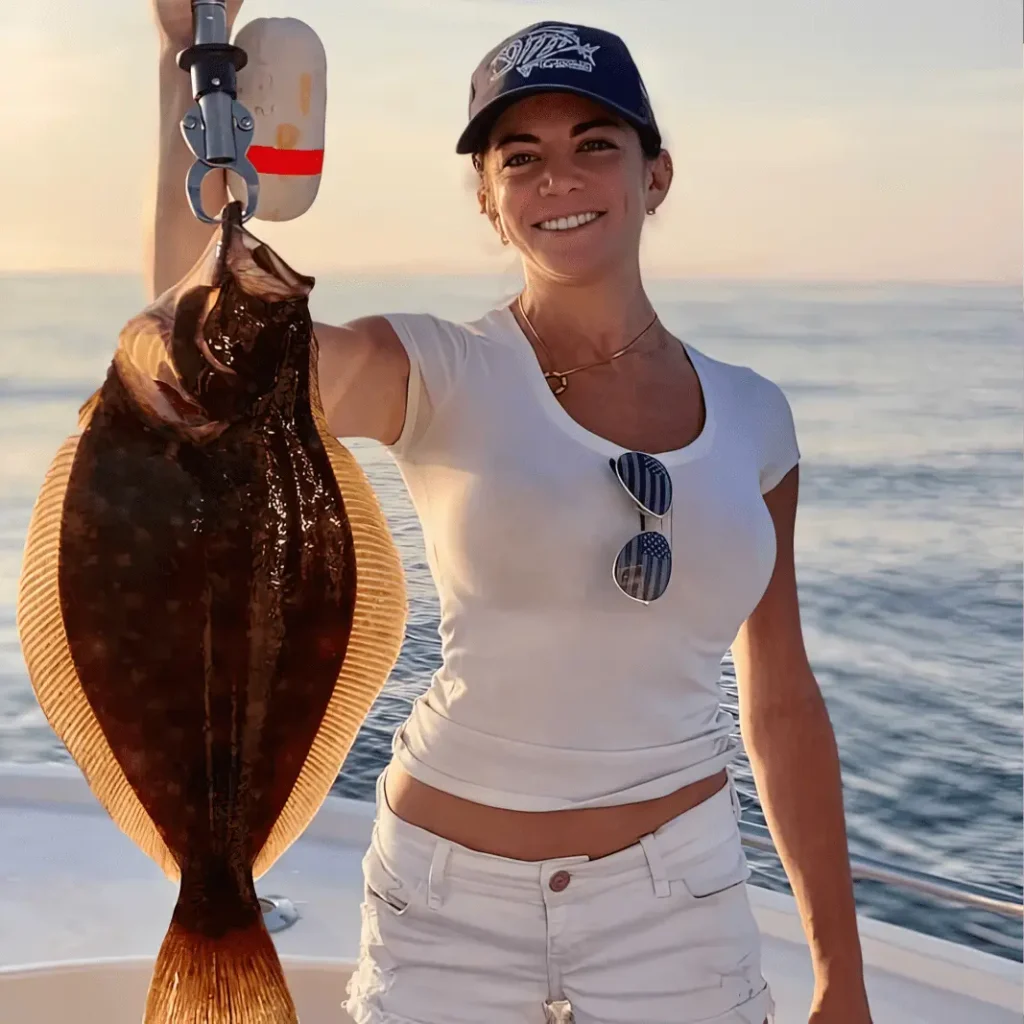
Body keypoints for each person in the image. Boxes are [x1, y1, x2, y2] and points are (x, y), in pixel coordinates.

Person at [151, 6, 874, 1023]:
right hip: (446, 905)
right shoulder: (435, 368)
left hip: (680, 905)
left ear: (653, 174)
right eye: (520, 156)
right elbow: (195, 363)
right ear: (489, 201)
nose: (559, 180)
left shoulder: (755, 415)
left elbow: (782, 701)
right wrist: (179, 81)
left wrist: (840, 972)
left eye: (594, 146)